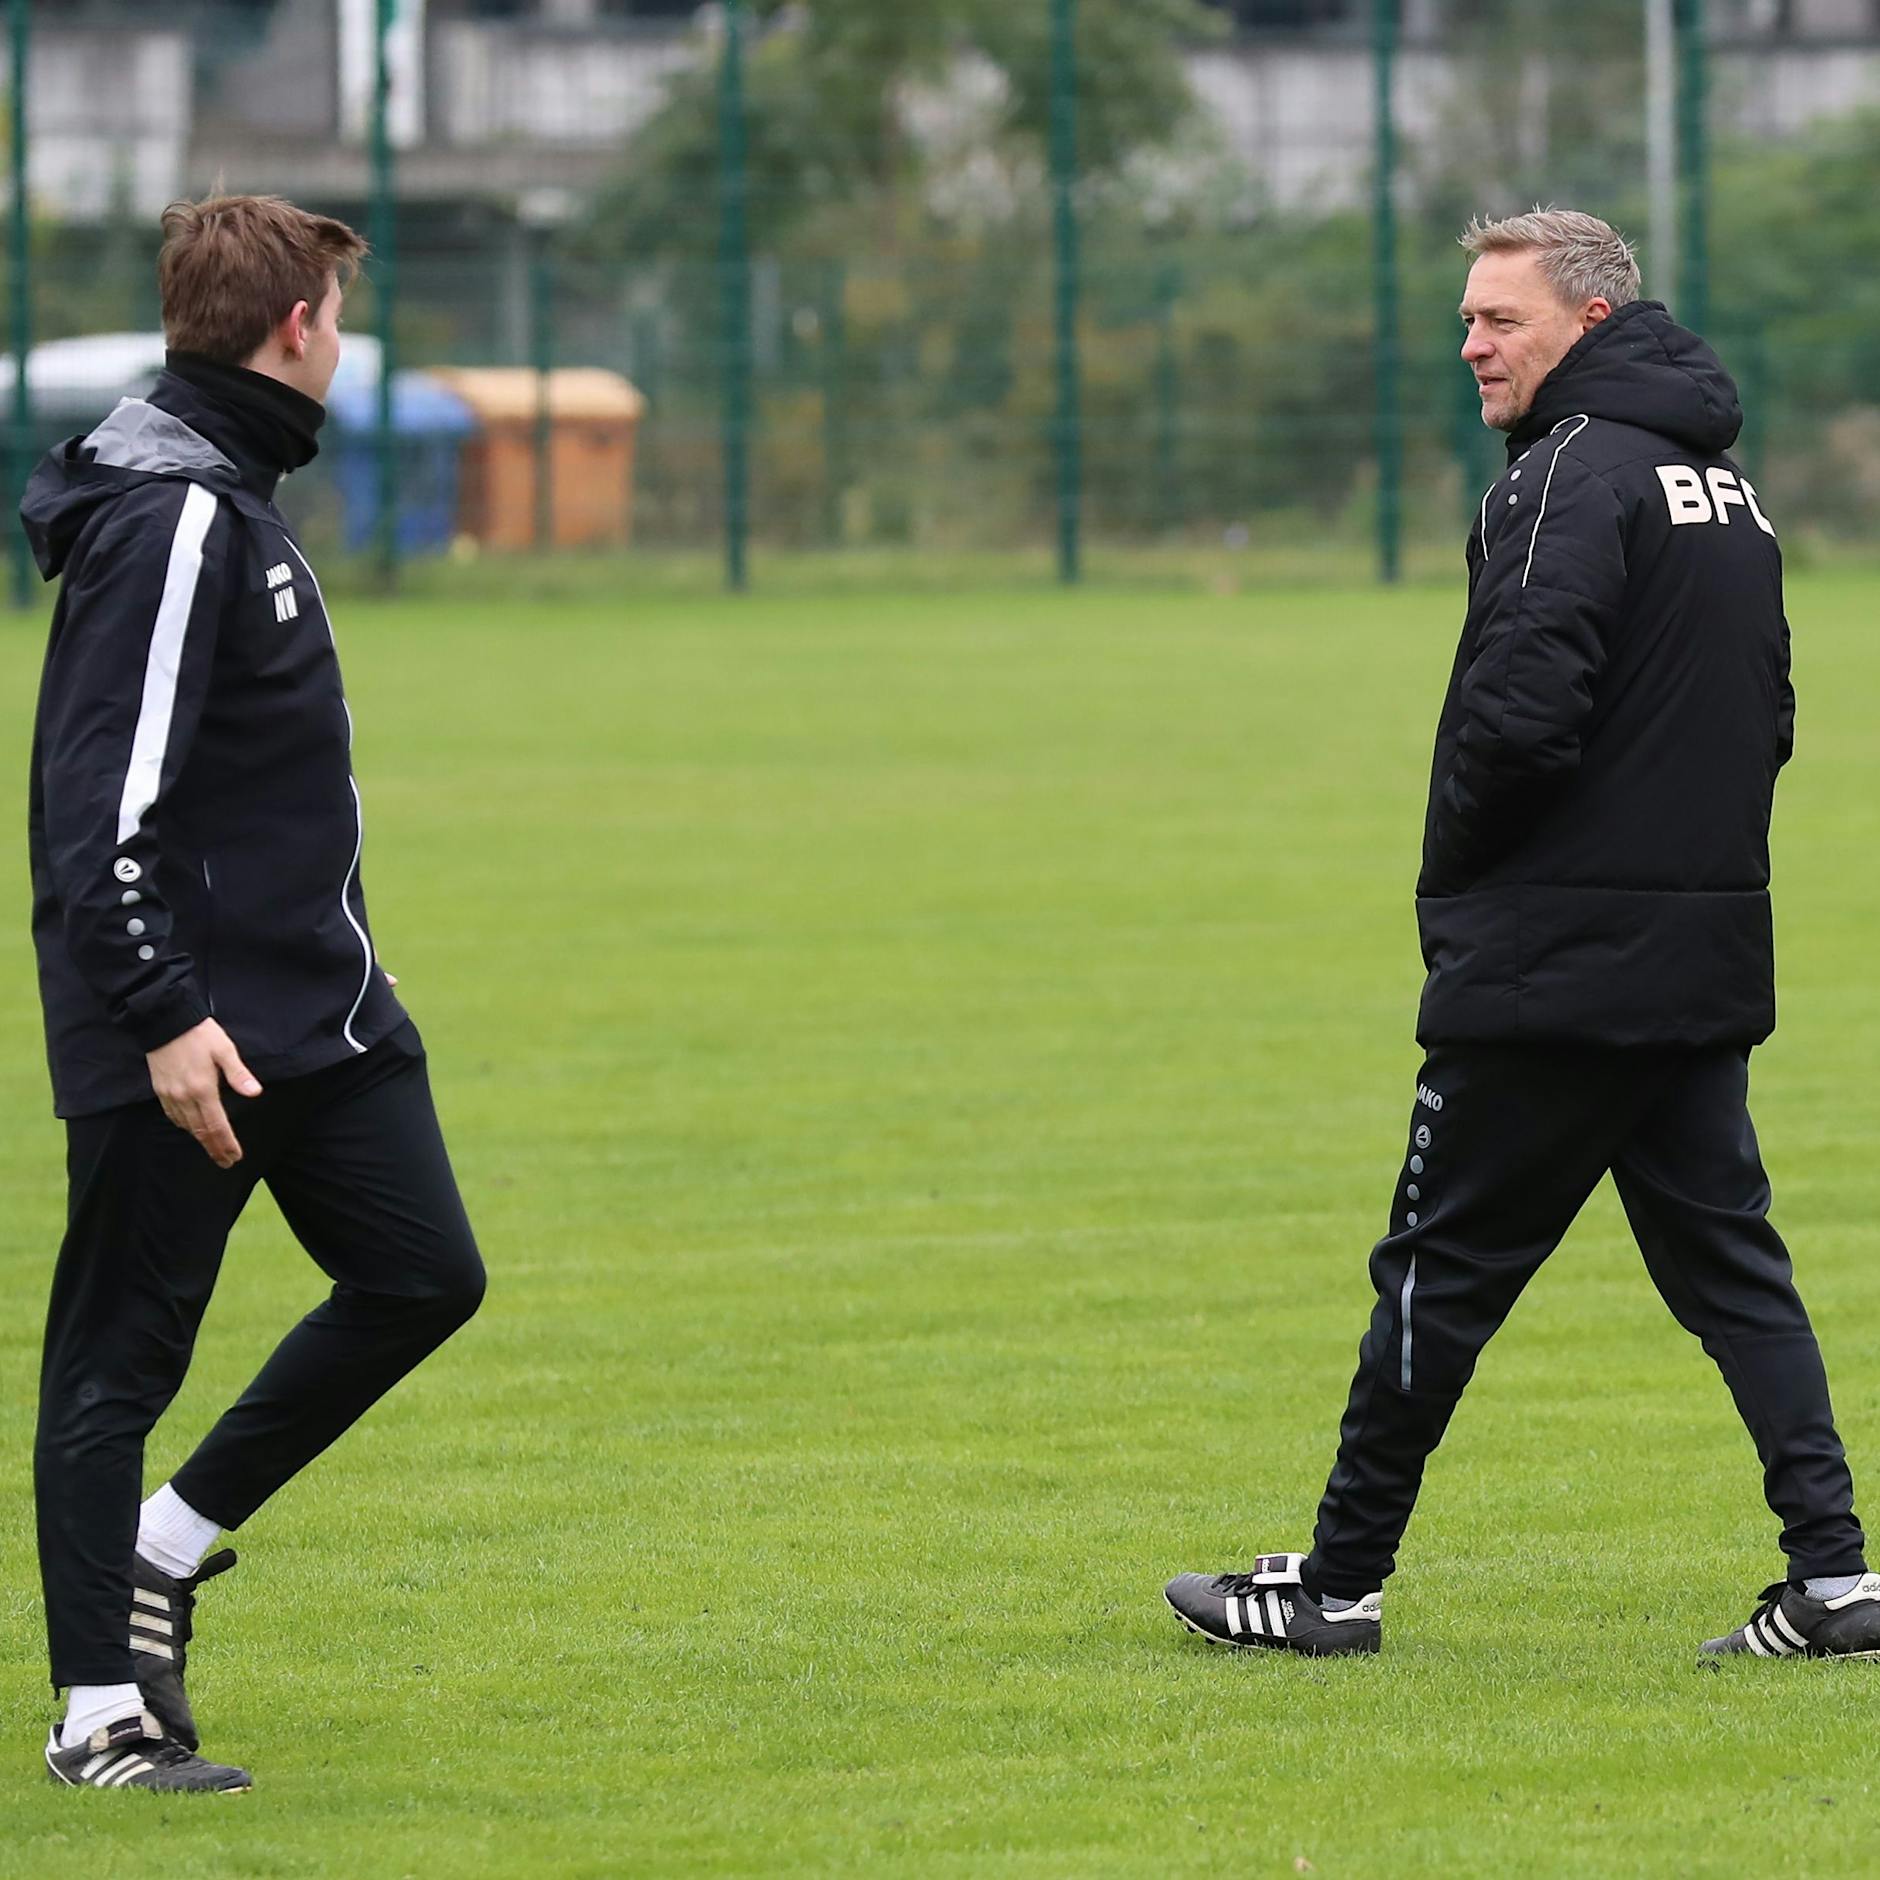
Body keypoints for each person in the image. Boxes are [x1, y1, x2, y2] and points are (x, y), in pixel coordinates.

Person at [1165, 207, 1880, 1664]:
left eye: (1501, 320)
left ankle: (1333, 1589)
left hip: (1553, 969)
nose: (1474, 346)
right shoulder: (1722, 490)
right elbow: (1771, 721)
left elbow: (1520, 716)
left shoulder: (1566, 476)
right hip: (1696, 957)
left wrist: (1464, 887)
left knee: (1435, 1273)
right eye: (1468, 323)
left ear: (1591, 323)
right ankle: (1838, 1577)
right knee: (1734, 1273)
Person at [24, 195, 486, 1791]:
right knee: (114, 1364)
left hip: (317, 1012)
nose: (342, 343)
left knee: (425, 1274)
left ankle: (166, 1545)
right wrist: (157, 1014)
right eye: (338, 317)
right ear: (297, 328)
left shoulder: (226, 493)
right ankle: (99, 1718)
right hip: (188, 1034)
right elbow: (105, 805)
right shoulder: (178, 518)